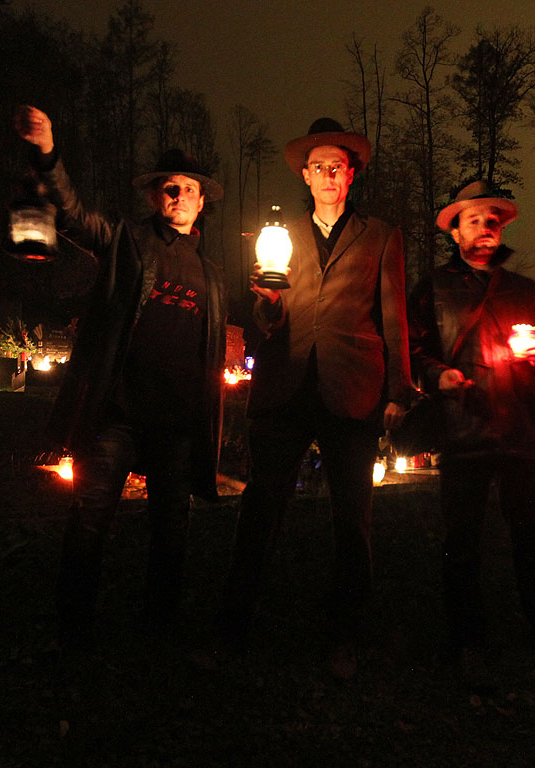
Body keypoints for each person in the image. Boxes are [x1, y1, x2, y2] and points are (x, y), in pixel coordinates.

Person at [13, 106, 228, 651]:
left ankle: (159, 631)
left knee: (171, 535)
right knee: (90, 523)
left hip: (176, 428)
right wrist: (47, 153)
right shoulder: (128, 242)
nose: (177, 196)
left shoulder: (211, 275)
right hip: (119, 418)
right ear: (157, 197)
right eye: (168, 188)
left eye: (187, 189)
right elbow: (73, 215)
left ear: (202, 201)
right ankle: (73, 629)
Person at [215, 118, 413, 678]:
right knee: (260, 510)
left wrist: (399, 390)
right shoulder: (281, 239)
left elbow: (394, 318)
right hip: (288, 384)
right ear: (306, 176)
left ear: (351, 175)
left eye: (338, 166)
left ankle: (347, 634)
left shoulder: (380, 236)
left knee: (353, 520)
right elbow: (267, 320)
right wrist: (268, 307)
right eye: (318, 167)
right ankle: (233, 626)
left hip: (353, 389)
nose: (328, 176)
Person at [406, 181, 535, 677]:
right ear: (455, 230)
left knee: (533, 538)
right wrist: (438, 375)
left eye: (493, 221)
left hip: (519, 428)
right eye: (474, 219)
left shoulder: (525, 290)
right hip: (463, 430)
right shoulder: (434, 288)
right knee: (462, 542)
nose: (485, 227)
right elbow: (413, 350)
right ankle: (467, 641)